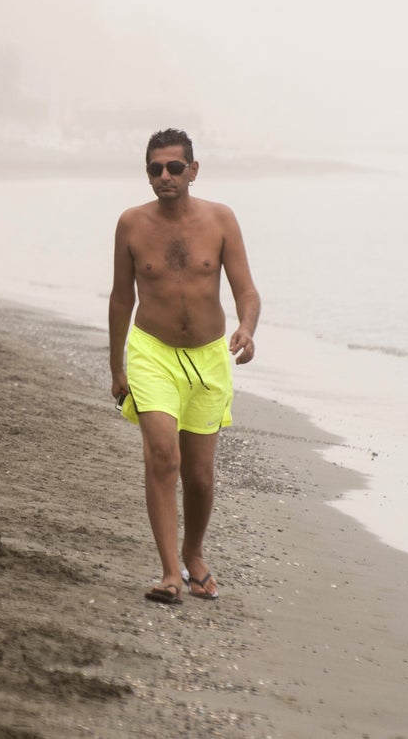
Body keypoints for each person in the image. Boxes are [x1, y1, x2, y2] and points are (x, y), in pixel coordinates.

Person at [109, 128, 261, 605]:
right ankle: (170, 572)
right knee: (162, 457)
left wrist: (248, 328)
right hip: (151, 352)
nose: (165, 176)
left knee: (200, 476)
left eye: (175, 167)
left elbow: (246, 291)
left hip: (209, 356)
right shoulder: (131, 225)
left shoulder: (220, 220)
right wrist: (117, 368)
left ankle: (194, 555)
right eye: (155, 169)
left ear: (193, 170)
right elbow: (120, 299)